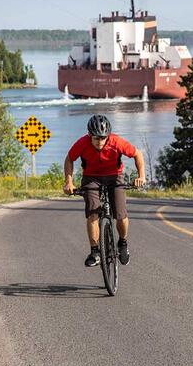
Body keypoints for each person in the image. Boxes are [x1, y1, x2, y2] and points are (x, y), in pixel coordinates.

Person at [63, 114, 146, 267]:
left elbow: (137, 154)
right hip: (91, 178)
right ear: (90, 135)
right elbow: (69, 158)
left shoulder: (116, 142)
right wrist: (69, 182)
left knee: (120, 215)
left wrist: (141, 176)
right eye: (96, 138)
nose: (100, 142)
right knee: (92, 214)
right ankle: (95, 252)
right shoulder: (82, 143)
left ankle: (123, 243)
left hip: (114, 177)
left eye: (103, 138)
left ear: (108, 135)